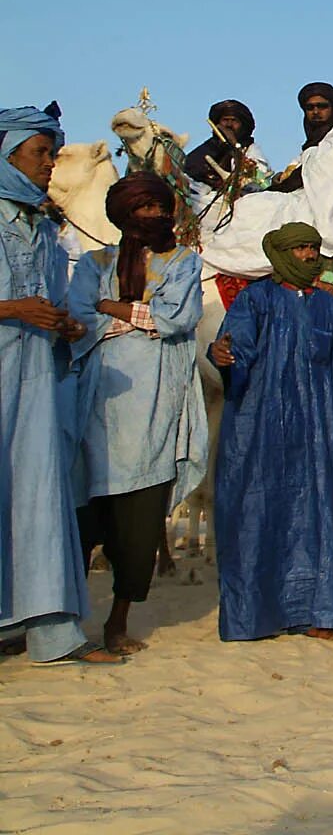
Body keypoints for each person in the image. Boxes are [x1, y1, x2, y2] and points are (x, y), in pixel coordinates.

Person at [0, 104, 123, 665]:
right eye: (39, 153)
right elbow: (22, 304)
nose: (48, 164)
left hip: (36, 382)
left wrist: (65, 325)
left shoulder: (46, 231)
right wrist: (13, 307)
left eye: (52, 154)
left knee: (39, 499)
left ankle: (51, 630)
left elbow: (48, 304)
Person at [208, 222, 333, 642]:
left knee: (319, 517)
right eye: (301, 248)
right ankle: (252, 618)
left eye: (314, 248)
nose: (310, 256)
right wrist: (222, 355)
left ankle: (321, 614)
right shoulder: (254, 299)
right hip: (257, 423)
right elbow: (234, 346)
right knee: (254, 513)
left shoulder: (331, 309)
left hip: (316, 428)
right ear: (281, 253)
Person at [67, 173, 207, 653]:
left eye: (158, 207)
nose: (152, 216)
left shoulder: (185, 263)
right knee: (85, 515)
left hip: (155, 403)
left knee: (139, 520)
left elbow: (177, 317)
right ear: (125, 214)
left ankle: (117, 622)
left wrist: (113, 309)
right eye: (142, 208)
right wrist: (135, 317)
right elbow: (79, 318)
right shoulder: (94, 262)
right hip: (98, 402)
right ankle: (66, 623)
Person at [196, 83, 333, 278]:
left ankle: (224, 260)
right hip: (303, 193)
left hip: (328, 203)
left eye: (322, 106)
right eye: (310, 108)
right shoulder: (316, 139)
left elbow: (324, 175)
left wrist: (278, 188)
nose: (315, 112)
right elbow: (302, 166)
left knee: (253, 207)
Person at [184, 98, 270, 191]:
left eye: (234, 120)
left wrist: (234, 145)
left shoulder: (251, 150)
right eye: (225, 120)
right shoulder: (207, 148)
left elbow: (256, 182)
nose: (229, 124)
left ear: (243, 125)